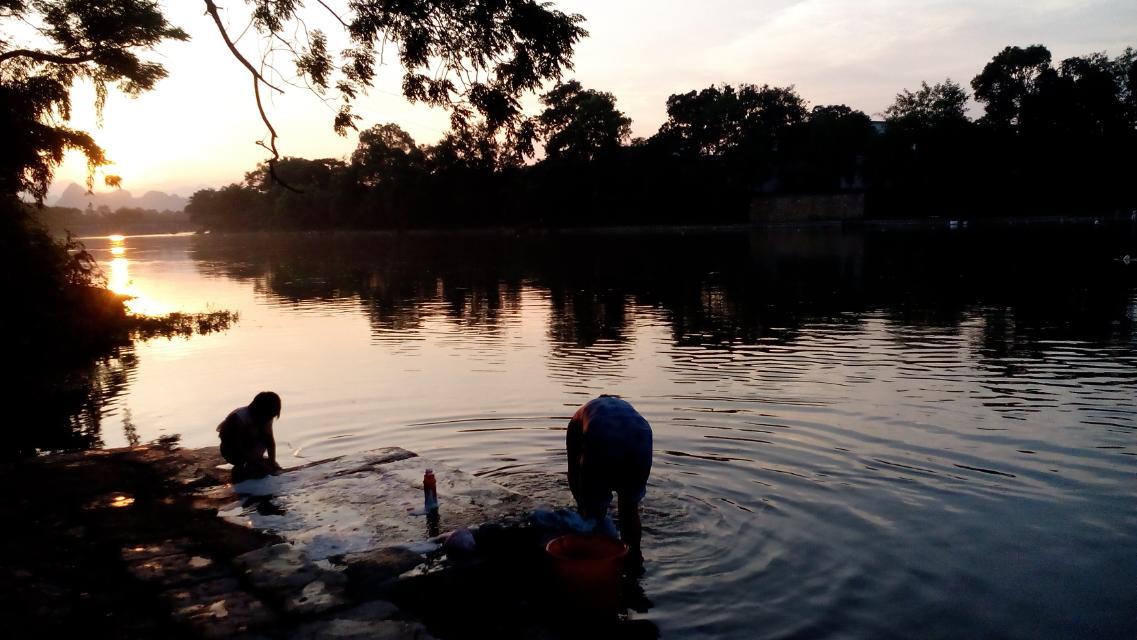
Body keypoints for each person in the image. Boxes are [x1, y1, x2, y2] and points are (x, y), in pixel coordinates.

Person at [566, 394, 653, 564]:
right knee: (629, 509)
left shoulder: (579, 416)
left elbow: (573, 472)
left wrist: (584, 505)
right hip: (642, 433)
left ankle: (596, 564)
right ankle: (634, 560)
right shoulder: (625, 408)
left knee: (594, 515)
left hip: (600, 431)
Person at [217, 391, 283, 478]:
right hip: (232, 449)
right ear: (259, 410)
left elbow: (270, 442)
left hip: (251, 445)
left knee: (267, 466)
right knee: (254, 470)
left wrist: (272, 463)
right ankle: (241, 468)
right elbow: (239, 447)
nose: (269, 419)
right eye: (268, 416)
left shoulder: (267, 417)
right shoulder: (238, 419)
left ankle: (255, 463)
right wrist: (259, 464)